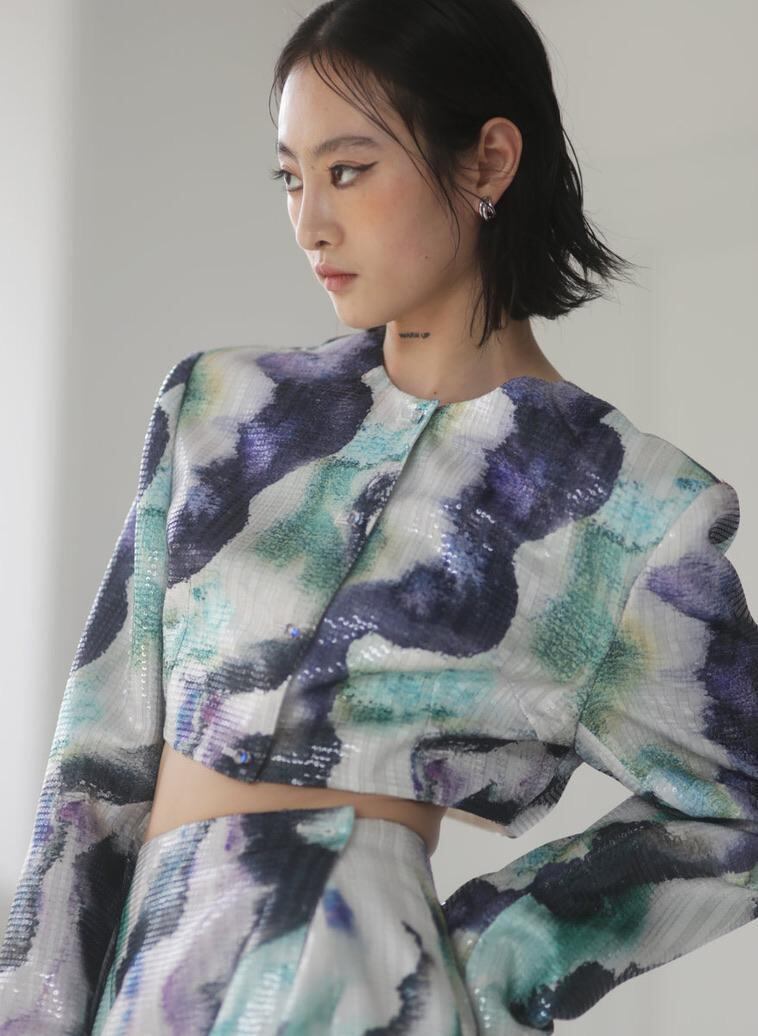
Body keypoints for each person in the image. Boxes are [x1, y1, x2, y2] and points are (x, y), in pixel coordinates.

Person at [2, 0, 757, 1033]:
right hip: (147, 990)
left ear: (489, 161)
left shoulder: (628, 508)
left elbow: (741, 798)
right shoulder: (221, 411)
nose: (310, 220)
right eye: (290, 176)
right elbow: (94, 770)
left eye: (348, 169)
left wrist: (479, 959)